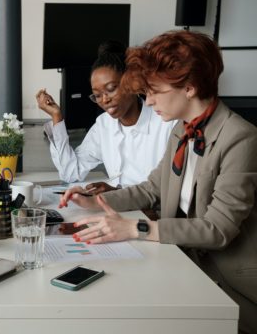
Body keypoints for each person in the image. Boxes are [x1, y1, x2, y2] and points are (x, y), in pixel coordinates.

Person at [60, 30, 257, 334]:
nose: (148, 101)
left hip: (228, 281)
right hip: (181, 260)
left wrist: (136, 228)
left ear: (189, 87)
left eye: (154, 91)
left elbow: (218, 229)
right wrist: (93, 202)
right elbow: (152, 188)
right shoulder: (181, 128)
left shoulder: (240, 138)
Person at [36, 40, 175, 194]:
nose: (104, 99)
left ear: (132, 83)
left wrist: (117, 192)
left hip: (151, 213)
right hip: (116, 210)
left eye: (111, 89)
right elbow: (70, 173)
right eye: (97, 95)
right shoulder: (104, 125)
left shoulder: (165, 123)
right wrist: (57, 116)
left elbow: (168, 189)